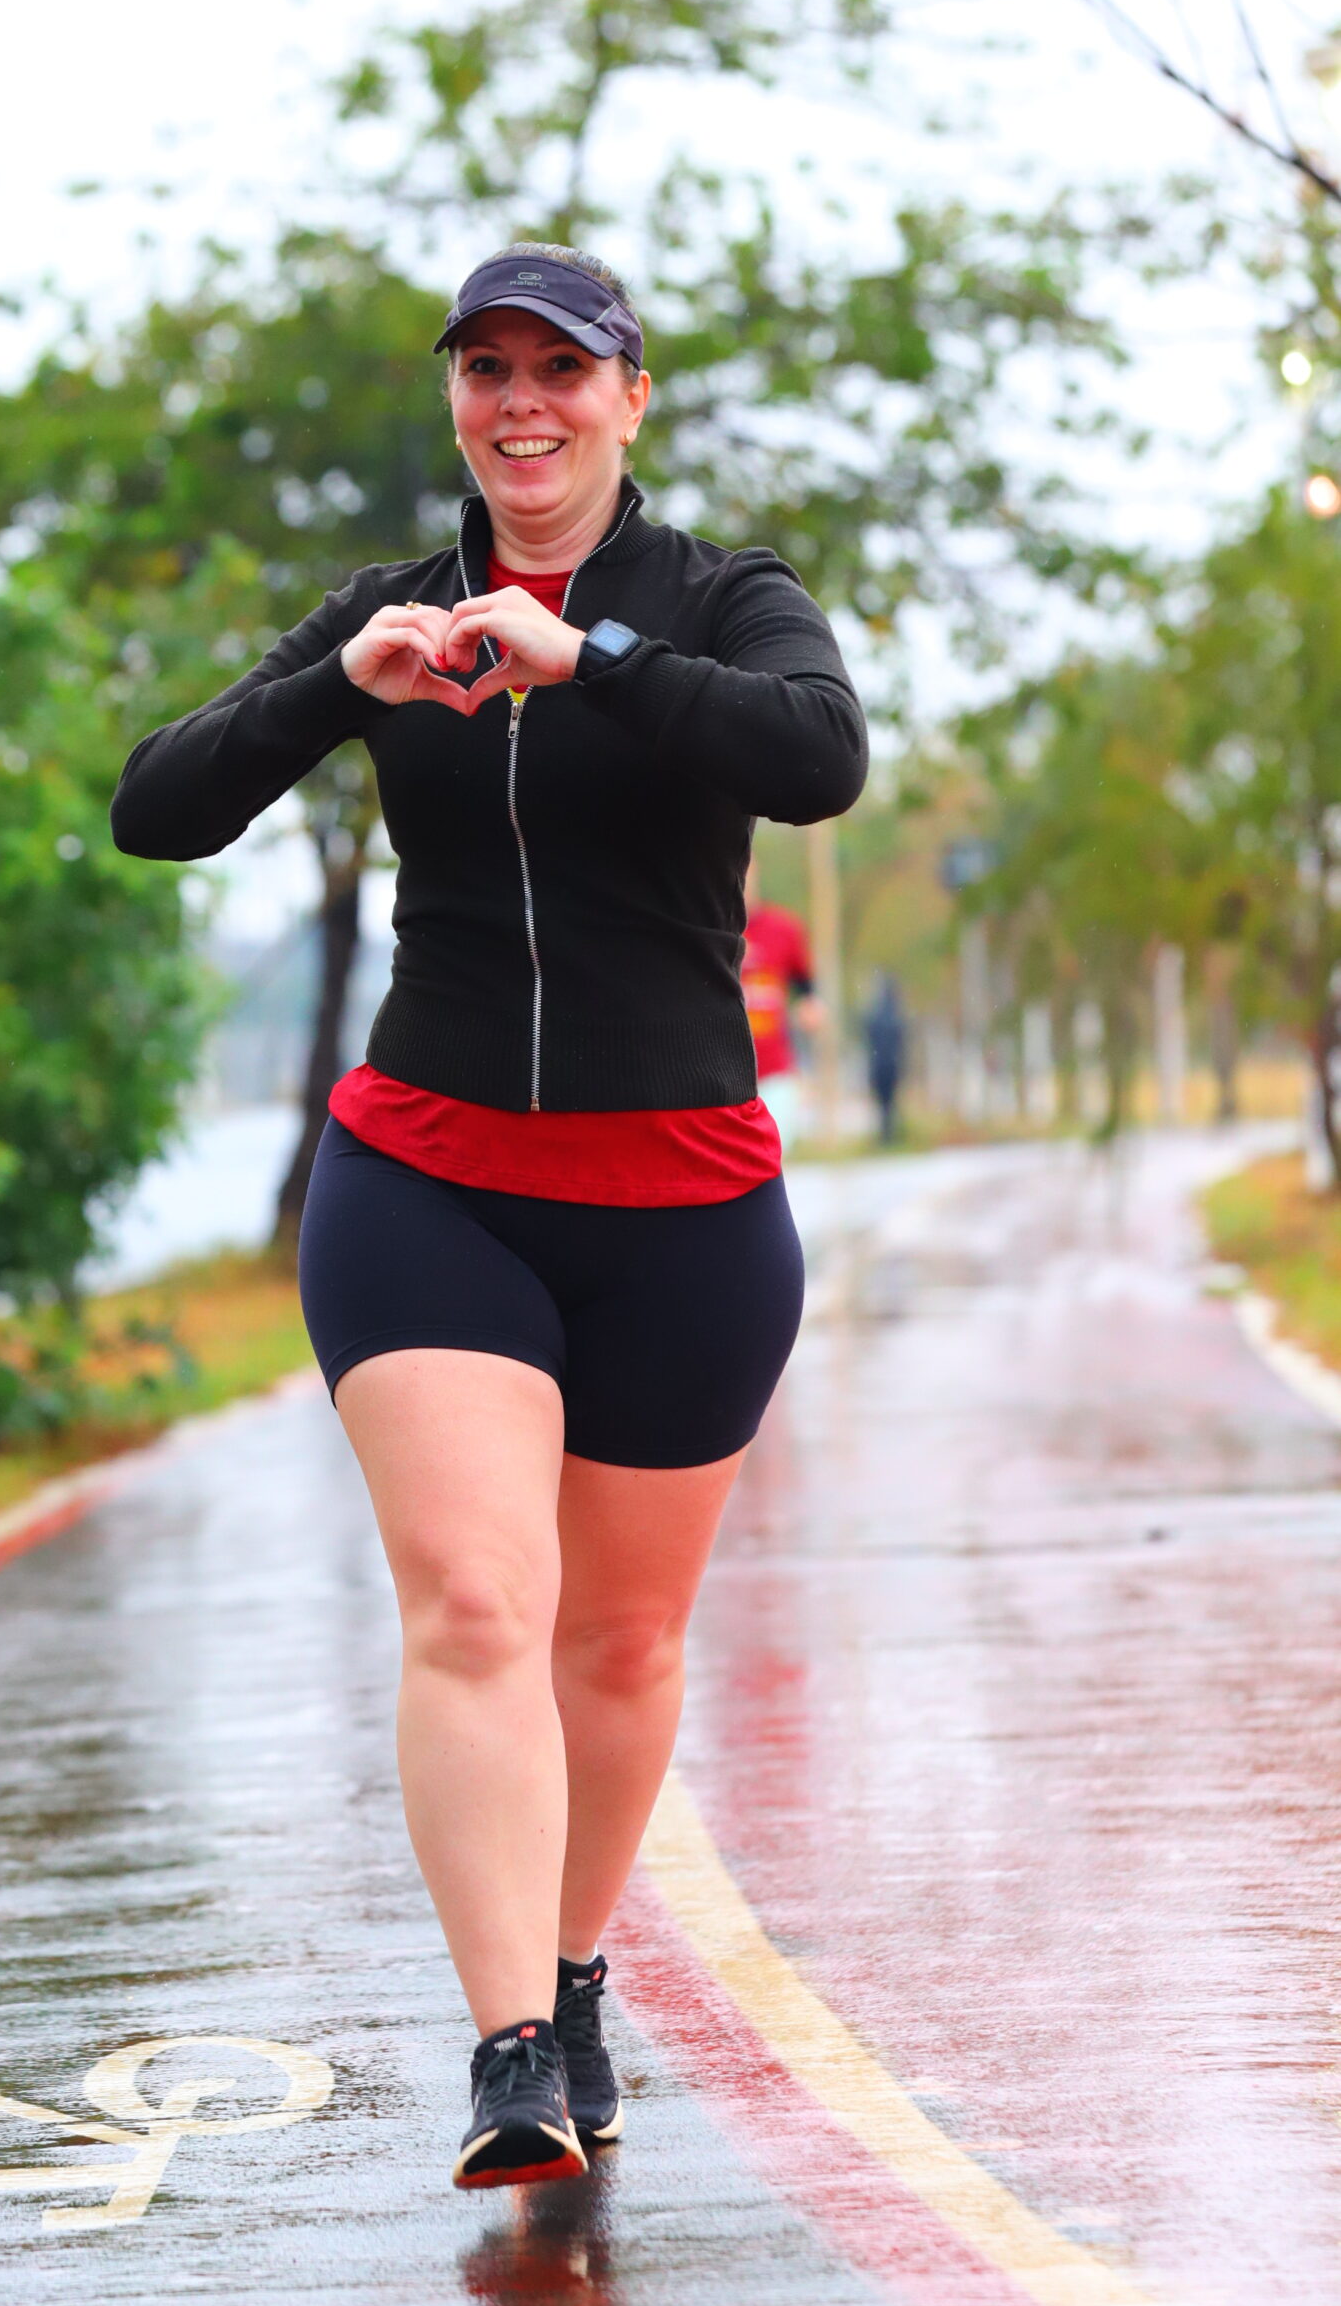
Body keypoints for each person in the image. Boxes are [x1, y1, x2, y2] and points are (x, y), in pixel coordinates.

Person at [111, 244, 867, 2190]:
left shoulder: (719, 597)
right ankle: (509, 2047)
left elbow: (817, 757)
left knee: (616, 1642)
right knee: (471, 1602)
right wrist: (328, 686)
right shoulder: (393, 609)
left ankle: (576, 1967)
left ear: (629, 396)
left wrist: (587, 654)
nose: (519, 403)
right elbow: (154, 806)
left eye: (560, 368)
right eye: (485, 370)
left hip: (680, 1203)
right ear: (454, 398)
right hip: (429, 1182)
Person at [740, 882, 817, 1146]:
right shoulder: (707, 930)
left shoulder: (783, 929)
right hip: (722, 1073)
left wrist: (810, 1006)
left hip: (774, 1068)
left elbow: (806, 986)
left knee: (774, 1150)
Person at [863, 971, 907, 1146]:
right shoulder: (896, 1015)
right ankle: (889, 1135)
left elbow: (869, 1036)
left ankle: (884, 1136)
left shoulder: (875, 1014)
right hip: (892, 1064)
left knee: (882, 1103)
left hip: (878, 1064)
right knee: (889, 1103)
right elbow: (901, 1040)